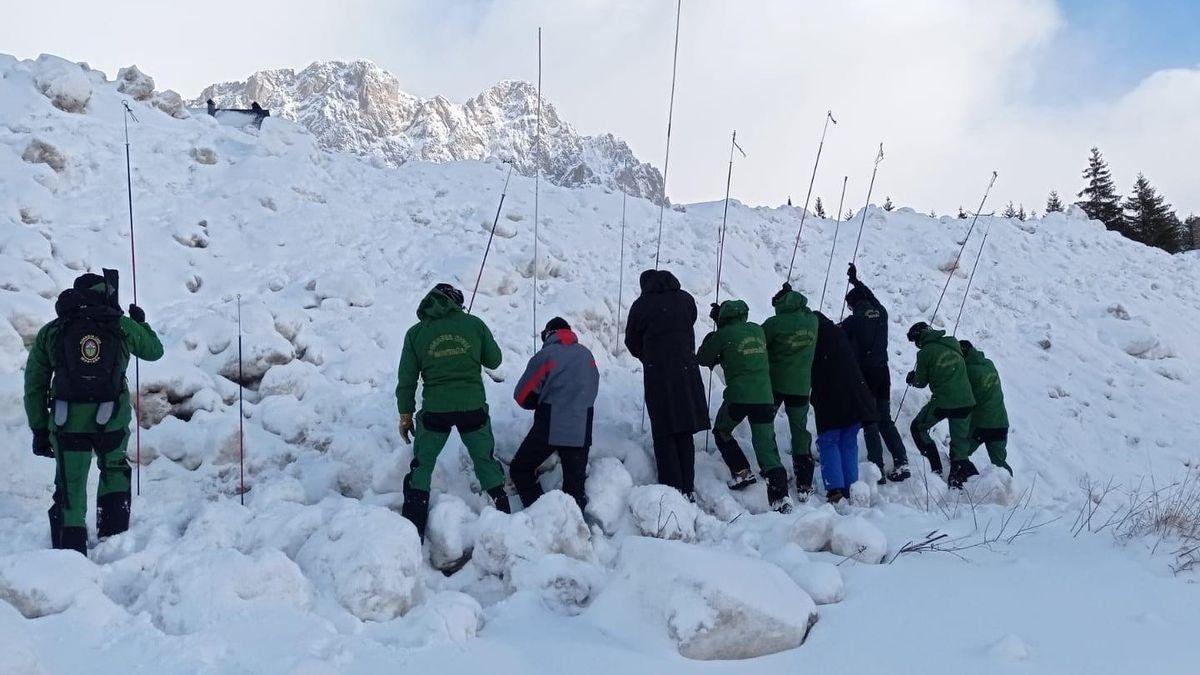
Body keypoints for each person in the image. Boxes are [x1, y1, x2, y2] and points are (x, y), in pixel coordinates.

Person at [24, 270, 163, 555]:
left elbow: (35, 385)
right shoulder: (120, 325)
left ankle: (70, 552)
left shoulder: (53, 330)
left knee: (70, 482)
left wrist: (39, 429)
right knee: (113, 469)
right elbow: (154, 351)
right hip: (111, 419)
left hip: (67, 421)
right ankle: (112, 540)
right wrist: (142, 324)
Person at [396, 283, 509, 539]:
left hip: (436, 411)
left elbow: (407, 379)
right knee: (484, 461)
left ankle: (413, 529)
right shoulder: (474, 324)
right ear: (456, 302)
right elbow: (494, 360)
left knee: (422, 465)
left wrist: (405, 414)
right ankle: (503, 515)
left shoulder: (415, 333)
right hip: (473, 408)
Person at [697, 299, 792, 513]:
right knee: (766, 446)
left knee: (721, 430)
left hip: (739, 396)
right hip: (765, 397)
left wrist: (715, 335)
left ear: (722, 318)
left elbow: (703, 358)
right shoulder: (757, 331)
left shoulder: (722, 335)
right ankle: (781, 498)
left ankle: (741, 470)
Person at [624, 270, 710, 499]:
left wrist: (648, 355)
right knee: (684, 429)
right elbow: (690, 318)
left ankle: (672, 490)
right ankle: (688, 488)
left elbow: (631, 341)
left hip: (659, 373)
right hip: (686, 371)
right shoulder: (685, 299)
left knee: (664, 432)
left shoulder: (641, 305)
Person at [510, 317, 599, 511]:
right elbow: (593, 387)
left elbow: (521, 394)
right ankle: (575, 532)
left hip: (550, 426)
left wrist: (537, 402)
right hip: (581, 426)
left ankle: (540, 513)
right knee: (574, 491)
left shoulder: (546, 355)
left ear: (548, 334)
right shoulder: (587, 355)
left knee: (520, 469)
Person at [840, 263, 910, 483]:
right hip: (883, 372)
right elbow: (871, 297)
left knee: (869, 421)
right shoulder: (881, 313)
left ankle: (876, 468)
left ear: (852, 305)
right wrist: (856, 281)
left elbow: (837, 337)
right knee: (885, 419)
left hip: (865, 375)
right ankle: (901, 461)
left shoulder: (852, 322)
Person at [809, 313, 878, 503]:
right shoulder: (839, 335)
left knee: (829, 441)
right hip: (857, 396)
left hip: (831, 397)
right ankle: (852, 488)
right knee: (848, 441)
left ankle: (835, 490)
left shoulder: (815, 339)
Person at [761, 283, 819, 498]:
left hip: (775, 384)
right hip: (802, 386)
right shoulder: (812, 320)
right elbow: (805, 309)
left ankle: (772, 468)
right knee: (800, 431)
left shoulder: (775, 324)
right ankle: (804, 482)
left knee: (765, 425)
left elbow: (760, 342)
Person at [904, 322, 977, 488]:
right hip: (966, 401)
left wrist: (912, 379)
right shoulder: (953, 342)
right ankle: (960, 478)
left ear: (919, 337)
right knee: (959, 443)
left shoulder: (925, 353)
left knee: (918, 427)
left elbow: (921, 382)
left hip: (944, 401)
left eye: (915, 341)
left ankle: (935, 468)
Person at [959, 340, 1013, 476]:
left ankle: (969, 483)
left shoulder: (967, 371)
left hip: (981, 425)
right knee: (1000, 464)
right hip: (1001, 423)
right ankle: (1011, 491)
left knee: (959, 454)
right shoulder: (989, 364)